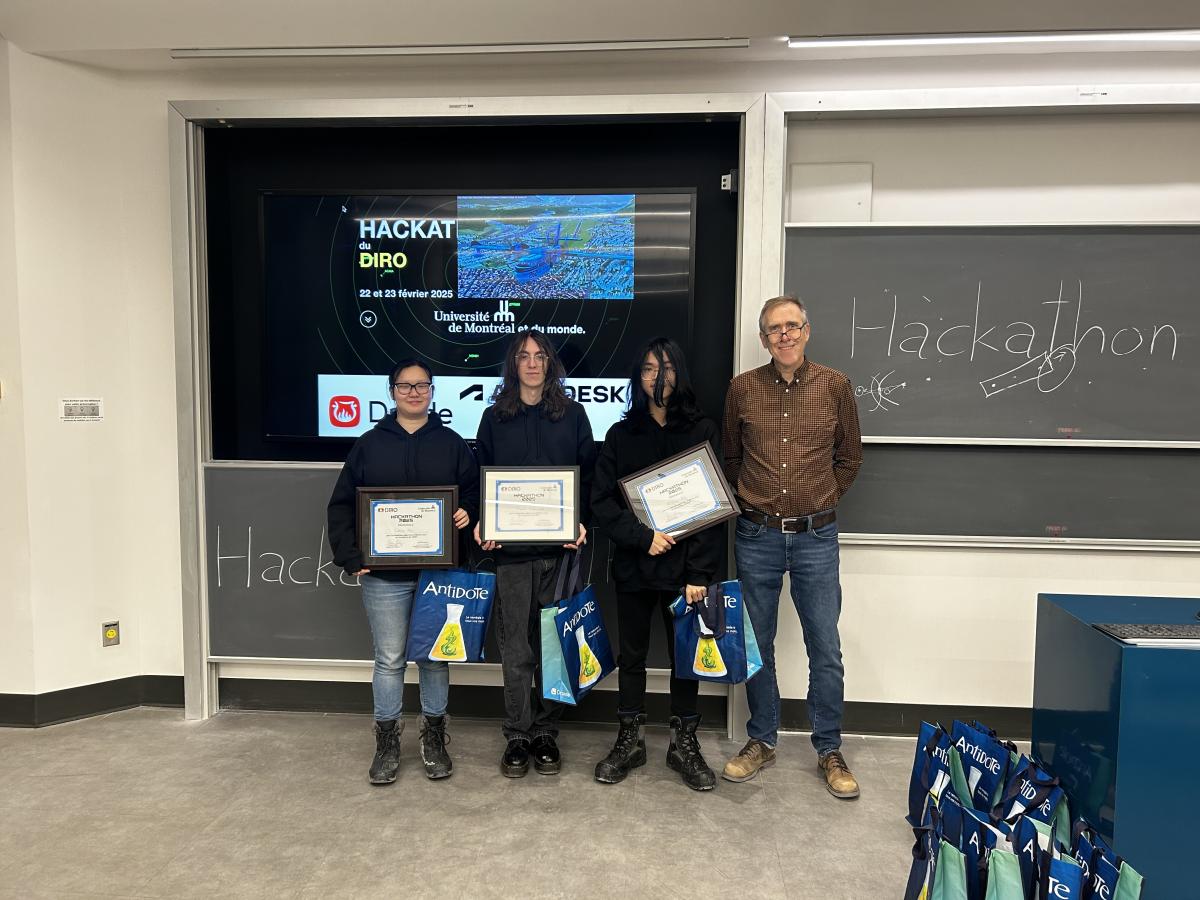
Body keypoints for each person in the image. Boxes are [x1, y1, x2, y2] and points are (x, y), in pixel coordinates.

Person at [720, 296, 864, 798]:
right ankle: (762, 739)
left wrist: (821, 500)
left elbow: (851, 457)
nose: (784, 335)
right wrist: (753, 501)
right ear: (763, 340)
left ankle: (829, 749)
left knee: (825, 646)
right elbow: (731, 458)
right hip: (756, 535)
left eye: (792, 326)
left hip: (816, 538)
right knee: (756, 644)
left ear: (807, 330)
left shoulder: (835, 385)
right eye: (774, 330)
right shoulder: (742, 389)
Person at [327, 359, 479, 785]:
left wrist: (468, 511)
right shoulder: (368, 445)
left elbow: (472, 492)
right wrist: (351, 556)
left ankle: (434, 738)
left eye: (421, 385)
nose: (414, 392)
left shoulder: (452, 444)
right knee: (389, 659)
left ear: (432, 391)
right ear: (392, 391)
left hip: (439, 575)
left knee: (434, 657)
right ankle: (387, 742)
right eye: (405, 386)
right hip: (384, 578)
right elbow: (342, 505)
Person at [590, 337, 724, 791]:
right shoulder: (620, 434)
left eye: (666, 368)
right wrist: (642, 537)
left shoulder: (702, 430)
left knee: (686, 659)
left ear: (679, 374)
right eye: (649, 369)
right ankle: (630, 740)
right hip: (634, 566)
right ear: (639, 377)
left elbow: (713, 508)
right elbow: (602, 502)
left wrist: (699, 573)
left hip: (686, 574)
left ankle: (683, 744)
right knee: (632, 657)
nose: (658, 377)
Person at [475, 328, 595, 778]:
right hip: (511, 555)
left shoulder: (574, 415)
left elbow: (589, 476)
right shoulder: (494, 418)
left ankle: (545, 732)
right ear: (513, 364)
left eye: (540, 355)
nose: (531, 363)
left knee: (553, 646)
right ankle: (517, 734)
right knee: (516, 648)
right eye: (523, 356)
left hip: (560, 553)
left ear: (550, 363)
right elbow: (480, 478)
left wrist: (581, 521)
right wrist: (484, 521)